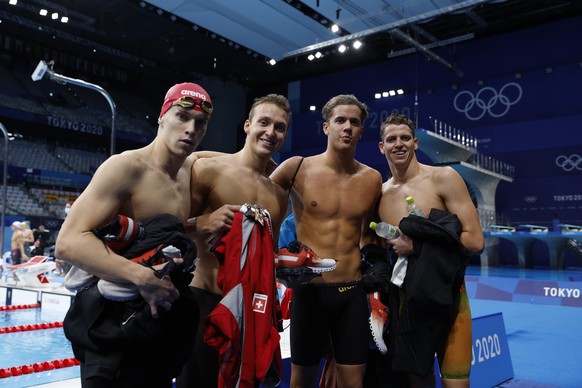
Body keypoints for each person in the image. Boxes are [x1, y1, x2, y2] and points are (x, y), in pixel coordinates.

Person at [54, 82, 214, 388]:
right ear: (162, 117)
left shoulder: (185, 172)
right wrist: (142, 279)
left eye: (201, 123)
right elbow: (69, 241)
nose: (191, 129)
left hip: (154, 326)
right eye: (182, 117)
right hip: (111, 324)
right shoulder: (126, 167)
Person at [176, 94, 292, 388]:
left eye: (279, 127)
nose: (270, 132)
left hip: (250, 312)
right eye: (264, 123)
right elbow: (168, 231)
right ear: (247, 125)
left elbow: (269, 256)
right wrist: (200, 223)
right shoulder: (208, 169)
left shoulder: (278, 195)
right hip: (205, 301)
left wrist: (294, 270)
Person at [270, 94, 383, 388]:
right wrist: (272, 257)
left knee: (353, 382)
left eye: (354, 122)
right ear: (326, 127)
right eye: (340, 120)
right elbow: (258, 206)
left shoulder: (371, 179)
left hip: (352, 293)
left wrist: (377, 263)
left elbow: (368, 234)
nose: (347, 127)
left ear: (361, 131)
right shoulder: (296, 168)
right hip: (310, 293)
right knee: (301, 380)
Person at [374, 114, 484, 388]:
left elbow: (474, 241)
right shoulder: (380, 194)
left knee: (455, 383)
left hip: (450, 299)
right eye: (391, 139)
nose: (398, 144)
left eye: (405, 138)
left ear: (415, 143)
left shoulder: (443, 178)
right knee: (418, 381)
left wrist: (418, 246)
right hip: (406, 302)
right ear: (381, 146)